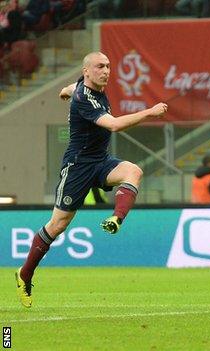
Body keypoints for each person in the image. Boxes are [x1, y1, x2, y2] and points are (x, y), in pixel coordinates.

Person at [15, 51, 168, 308]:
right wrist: (150, 112)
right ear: (87, 70)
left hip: (100, 161)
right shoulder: (84, 99)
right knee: (58, 225)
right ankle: (24, 273)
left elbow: (70, 87)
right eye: (100, 66)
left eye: (108, 66)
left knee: (134, 171)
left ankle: (116, 219)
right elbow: (115, 125)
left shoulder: (84, 85)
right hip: (77, 167)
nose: (106, 71)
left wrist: (63, 90)